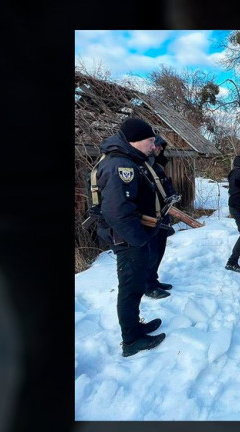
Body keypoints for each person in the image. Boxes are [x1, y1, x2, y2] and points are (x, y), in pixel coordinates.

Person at [95, 117, 166, 357]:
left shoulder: (127, 160)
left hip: (131, 237)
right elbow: (117, 211)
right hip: (127, 239)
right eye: (150, 140)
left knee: (135, 286)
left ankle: (135, 327)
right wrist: (139, 239)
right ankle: (131, 340)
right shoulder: (120, 165)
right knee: (130, 288)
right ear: (135, 140)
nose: (153, 145)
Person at [143, 135, 177, 299]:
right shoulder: (143, 166)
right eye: (158, 146)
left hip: (162, 215)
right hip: (150, 218)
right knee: (151, 253)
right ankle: (148, 286)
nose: (160, 149)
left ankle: (153, 280)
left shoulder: (156, 165)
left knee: (159, 250)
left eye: (161, 147)